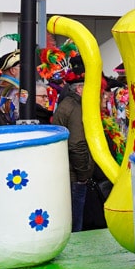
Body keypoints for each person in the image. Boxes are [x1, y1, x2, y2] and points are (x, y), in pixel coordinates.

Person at [51, 70, 95, 232]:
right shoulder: (76, 107)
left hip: (70, 171)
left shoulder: (69, 104)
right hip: (75, 175)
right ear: (79, 89)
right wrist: (83, 174)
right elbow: (76, 144)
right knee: (75, 224)